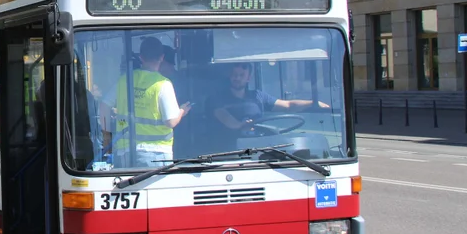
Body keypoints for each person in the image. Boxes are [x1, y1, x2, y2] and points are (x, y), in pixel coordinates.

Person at [112, 37, 192, 167]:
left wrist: (106, 137)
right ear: (162, 57)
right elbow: (171, 121)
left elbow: (104, 105)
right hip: (156, 154)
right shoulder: (163, 84)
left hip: (124, 152)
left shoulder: (124, 79)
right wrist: (182, 111)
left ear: (141, 57)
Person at [210, 63, 329, 138]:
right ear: (229, 76)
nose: (237, 78)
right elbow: (228, 120)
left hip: (259, 147)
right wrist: (245, 124)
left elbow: (288, 105)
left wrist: (313, 103)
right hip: (228, 151)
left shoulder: (258, 96)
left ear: (248, 78)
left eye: (241, 75)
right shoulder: (216, 98)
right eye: (234, 74)